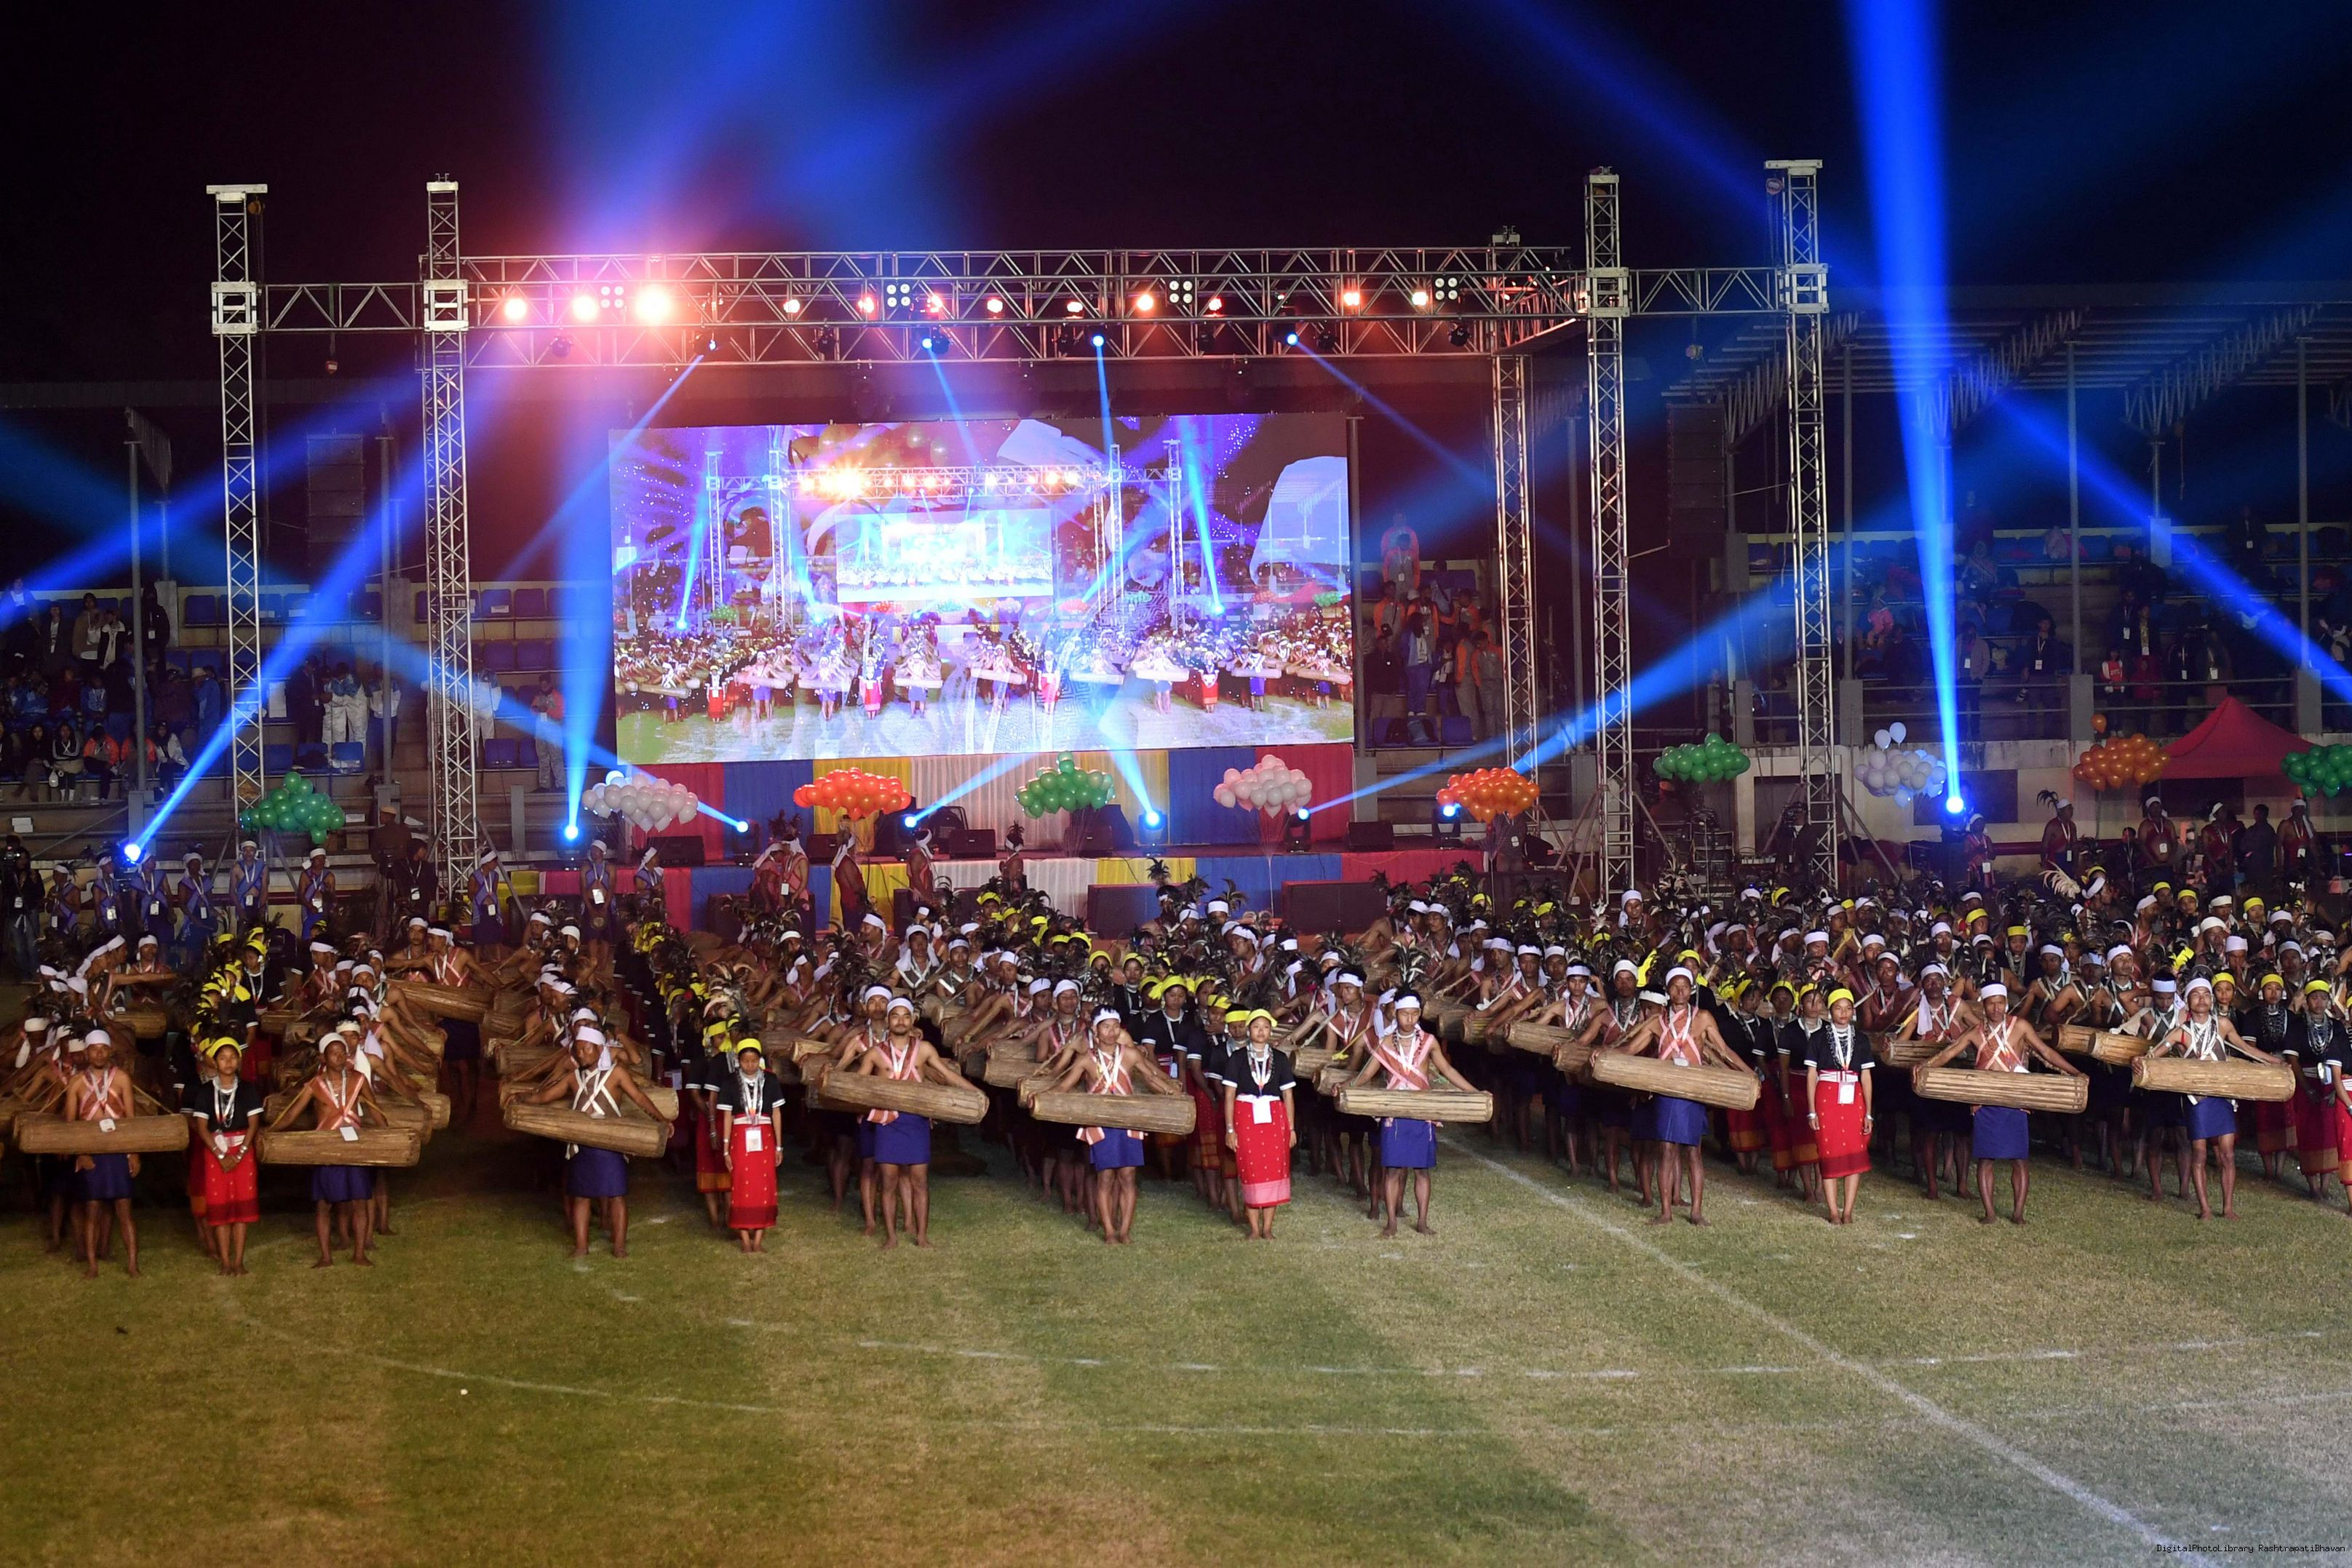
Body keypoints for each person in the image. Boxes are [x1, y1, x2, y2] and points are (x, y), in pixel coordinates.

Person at [1915, 983, 2085, 1225]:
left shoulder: (2020, 1026)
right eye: (1991, 1003)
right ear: (1983, 1006)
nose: (1996, 1008)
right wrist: (1924, 1066)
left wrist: (2076, 1072)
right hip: (1985, 1101)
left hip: (2015, 1099)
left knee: (2020, 1159)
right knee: (1986, 1159)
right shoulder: (1975, 1032)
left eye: (2001, 1003)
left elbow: (2046, 1053)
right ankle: (1990, 1213)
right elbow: (1949, 1053)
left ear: (2006, 1004)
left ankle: (2018, 1213)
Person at [517, 1032, 673, 1259]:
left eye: (586, 1049)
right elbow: (545, 1097)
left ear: (600, 1049)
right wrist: (521, 1098)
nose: (581, 1054)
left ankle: (619, 1246)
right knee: (581, 1196)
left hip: (611, 1144)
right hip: (582, 1145)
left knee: (616, 1195)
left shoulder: (616, 1073)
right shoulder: (574, 1077)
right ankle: (582, 1246)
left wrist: (662, 1120)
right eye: (578, 1050)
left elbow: (639, 1098)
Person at [1613, 967, 1745, 1226]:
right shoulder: (1657, 1021)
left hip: (1693, 1090)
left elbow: (1724, 1050)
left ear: (1692, 989)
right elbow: (1630, 1048)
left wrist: (1748, 1073)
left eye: (1685, 986)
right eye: (1675, 986)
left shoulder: (1703, 1018)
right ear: (1668, 990)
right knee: (1666, 1150)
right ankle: (1666, 1212)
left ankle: (1696, 1212)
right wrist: (1605, 1053)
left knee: (1694, 1151)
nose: (1681, 991)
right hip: (1666, 1092)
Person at [1049, 1008, 1187, 1245]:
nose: (1111, 1032)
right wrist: (1043, 1096)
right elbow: (1064, 1086)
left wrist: (1173, 1092)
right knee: (1105, 1177)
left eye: (1115, 1026)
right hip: (1101, 1124)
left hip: (1129, 1122)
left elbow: (1151, 1077)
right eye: (1106, 1027)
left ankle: (1124, 1231)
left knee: (1128, 1176)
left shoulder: (1130, 1054)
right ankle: (1110, 1231)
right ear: (1096, 1030)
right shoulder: (1086, 1059)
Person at [2146, 974, 2278, 1221]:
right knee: (2199, 1153)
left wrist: (2274, 1062)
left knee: (2228, 1153)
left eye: (2206, 994)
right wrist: (2142, 1061)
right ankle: (2205, 1208)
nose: (2202, 999)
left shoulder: (2223, 1024)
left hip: (2222, 1095)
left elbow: (2245, 1049)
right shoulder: (2181, 1032)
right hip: (2196, 1099)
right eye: (2196, 995)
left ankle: (2227, 1208)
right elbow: (2156, 1053)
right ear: (2188, 1001)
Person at [1346, 993, 1474, 1239]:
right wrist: (1347, 1087)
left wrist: (1474, 1091)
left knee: (1422, 1171)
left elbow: (1447, 1070)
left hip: (1421, 1113)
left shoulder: (1429, 1041)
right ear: (1396, 1014)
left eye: (1415, 1014)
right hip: (1394, 1114)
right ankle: (1391, 1222)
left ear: (1419, 1015)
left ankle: (1423, 1221)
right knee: (1392, 1170)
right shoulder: (1385, 1043)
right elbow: (1366, 1074)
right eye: (1405, 1014)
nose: (1410, 1019)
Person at [266, 1032, 386, 1267]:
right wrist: (270, 1131)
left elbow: (375, 1110)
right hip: (326, 1147)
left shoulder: (359, 1079)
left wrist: (389, 1137)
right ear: (323, 1058)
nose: (340, 1057)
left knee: (360, 1201)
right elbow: (292, 1114)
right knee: (323, 1204)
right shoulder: (315, 1085)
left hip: (354, 1147)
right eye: (334, 1053)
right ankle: (326, 1257)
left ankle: (360, 1254)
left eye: (343, 1053)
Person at [63, 1028, 140, 1278]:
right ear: (87, 1053)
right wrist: (81, 1154)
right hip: (91, 1153)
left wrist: (133, 1153)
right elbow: (71, 1124)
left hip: (119, 1151)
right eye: (94, 1049)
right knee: (92, 1211)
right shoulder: (76, 1082)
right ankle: (92, 1265)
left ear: (110, 1051)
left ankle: (132, 1264)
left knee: (125, 1211)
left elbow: (131, 1120)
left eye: (103, 1049)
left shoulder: (122, 1079)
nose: (99, 1053)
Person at [184, 1037, 264, 1276]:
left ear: (239, 1061)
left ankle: (238, 1261)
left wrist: (240, 1154)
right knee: (220, 1210)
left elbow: (253, 1124)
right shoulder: (205, 1091)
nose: (228, 1062)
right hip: (215, 1153)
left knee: (241, 1212)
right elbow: (202, 1127)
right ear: (215, 1062)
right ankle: (225, 1262)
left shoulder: (248, 1089)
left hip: (243, 1153)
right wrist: (220, 1155)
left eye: (232, 1057)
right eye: (222, 1058)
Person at [1220, 1008, 1298, 1239]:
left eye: (1265, 1027)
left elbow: (1288, 1096)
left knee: (1274, 1169)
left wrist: (1291, 1128)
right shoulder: (1237, 1058)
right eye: (1256, 1026)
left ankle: (1267, 1228)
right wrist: (1230, 1129)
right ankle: (1254, 1228)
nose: (1261, 1031)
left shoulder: (1280, 1059)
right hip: (1246, 1117)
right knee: (1251, 1170)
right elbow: (1229, 1096)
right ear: (1249, 1030)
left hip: (1274, 1118)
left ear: (1271, 1030)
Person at [1803, 989, 1877, 1225]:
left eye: (1848, 1008)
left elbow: (1866, 1076)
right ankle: (1834, 1212)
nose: (1843, 1013)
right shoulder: (1818, 1038)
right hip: (1827, 1100)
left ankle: (1848, 1212)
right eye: (1838, 1008)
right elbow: (1811, 1074)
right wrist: (1812, 1110)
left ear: (1853, 1011)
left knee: (1855, 1153)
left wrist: (1868, 1113)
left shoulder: (1861, 1040)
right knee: (1829, 1152)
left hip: (1854, 1099)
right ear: (1830, 1011)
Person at [715, 1040, 786, 1253]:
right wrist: (726, 1149)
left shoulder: (770, 1080)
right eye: (745, 1061)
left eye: (754, 1061)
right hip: (740, 1138)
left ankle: (758, 1240)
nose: (750, 1065)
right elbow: (727, 1116)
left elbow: (776, 1113)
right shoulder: (730, 1082)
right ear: (739, 1061)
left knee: (765, 1184)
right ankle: (745, 1239)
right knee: (741, 1185)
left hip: (765, 1137)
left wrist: (779, 1147)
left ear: (759, 1060)